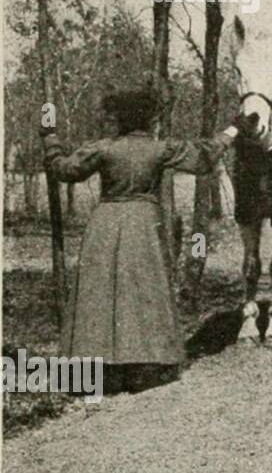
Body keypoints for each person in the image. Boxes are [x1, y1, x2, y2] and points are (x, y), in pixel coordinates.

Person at [39, 88, 241, 393]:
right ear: (147, 120)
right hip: (144, 224)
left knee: (101, 293)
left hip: (105, 225)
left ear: (120, 119)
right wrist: (233, 129)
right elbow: (204, 156)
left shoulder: (104, 149)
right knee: (144, 290)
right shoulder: (159, 149)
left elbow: (65, 171)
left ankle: (101, 367)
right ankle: (142, 365)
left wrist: (50, 139)